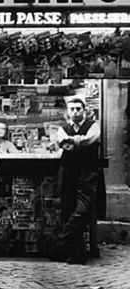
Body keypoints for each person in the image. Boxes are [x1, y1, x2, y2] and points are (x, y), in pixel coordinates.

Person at [52, 97, 101, 265]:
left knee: (82, 210)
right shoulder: (62, 128)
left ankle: (60, 239)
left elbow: (91, 140)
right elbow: (62, 142)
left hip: (87, 173)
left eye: (78, 109)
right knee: (68, 209)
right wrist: (80, 140)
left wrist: (73, 141)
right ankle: (76, 253)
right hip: (68, 173)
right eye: (71, 109)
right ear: (68, 111)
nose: (75, 112)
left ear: (84, 110)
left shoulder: (93, 125)